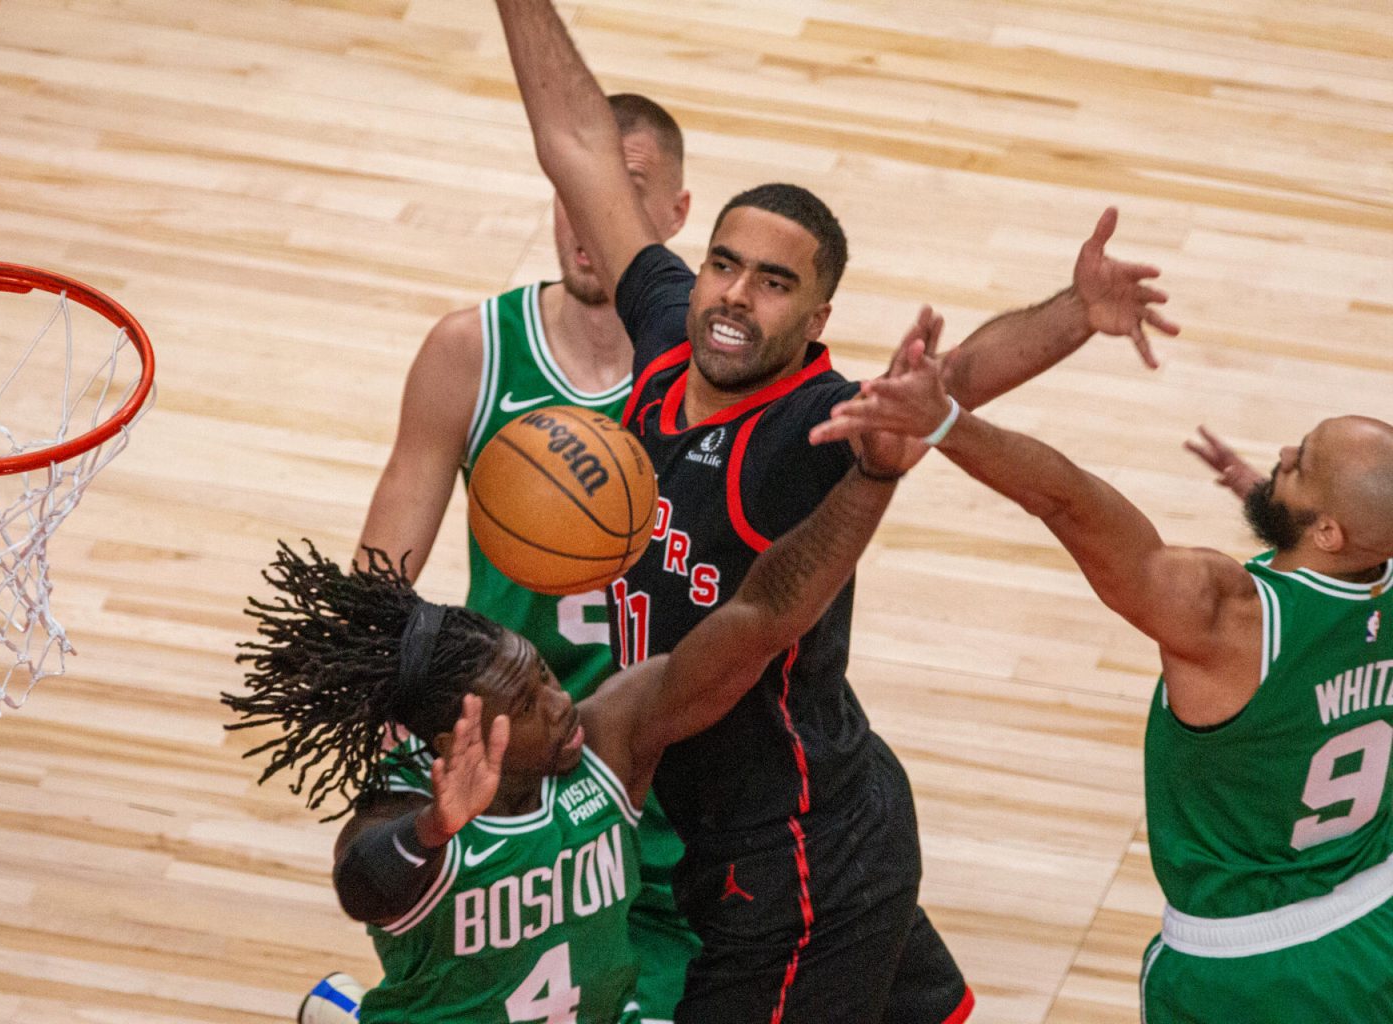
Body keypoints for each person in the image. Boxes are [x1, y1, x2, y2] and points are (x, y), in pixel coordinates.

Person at [492, 0, 1180, 1020]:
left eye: (775, 285)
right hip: (822, 806)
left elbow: (948, 384)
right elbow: (580, 143)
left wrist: (1073, 315)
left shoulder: (803, 423)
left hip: (793, 851)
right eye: (725, 264)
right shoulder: (665, 334)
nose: (735, 295)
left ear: (816, 319)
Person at [225, 385, 927, 1023]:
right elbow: (362, 884)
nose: (561, 702)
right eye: (527, 705)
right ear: (454, 740)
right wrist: (436, 827)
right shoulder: (407, 807)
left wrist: (873, 478)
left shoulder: (607, 742)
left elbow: (763, 618)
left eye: (544, 679)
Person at [813, 344, 1393, 1023]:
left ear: (1328, 530)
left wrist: (945, 422)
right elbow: (1336, 589)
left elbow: (1067, 500)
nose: (1285, 452)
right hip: (1375, 921)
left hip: (1246, 971)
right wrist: (1277, 505)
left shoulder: (1225, 616)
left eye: (1303, 464)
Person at [353, 92, 699, 1022]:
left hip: (656, 759)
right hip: (511, 756)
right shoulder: (472, 352)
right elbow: (374, 591)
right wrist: (385, 702)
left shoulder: (715, 381)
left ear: (675, 216)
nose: (590, 218)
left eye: (621, 193)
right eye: (573, 188)